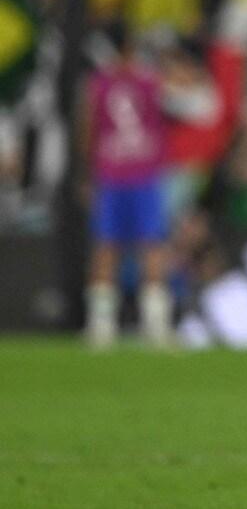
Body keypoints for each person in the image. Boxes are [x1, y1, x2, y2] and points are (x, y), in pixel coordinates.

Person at [83, 23, 172, 349]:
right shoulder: (149, 82)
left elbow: (88, 129)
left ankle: (101, 327)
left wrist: (88, 172)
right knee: (150, 246)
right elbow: (163, 119)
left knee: (108, 248)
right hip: (143, 173)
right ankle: (156, 326)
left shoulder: (100, 84)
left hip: (112, 171)